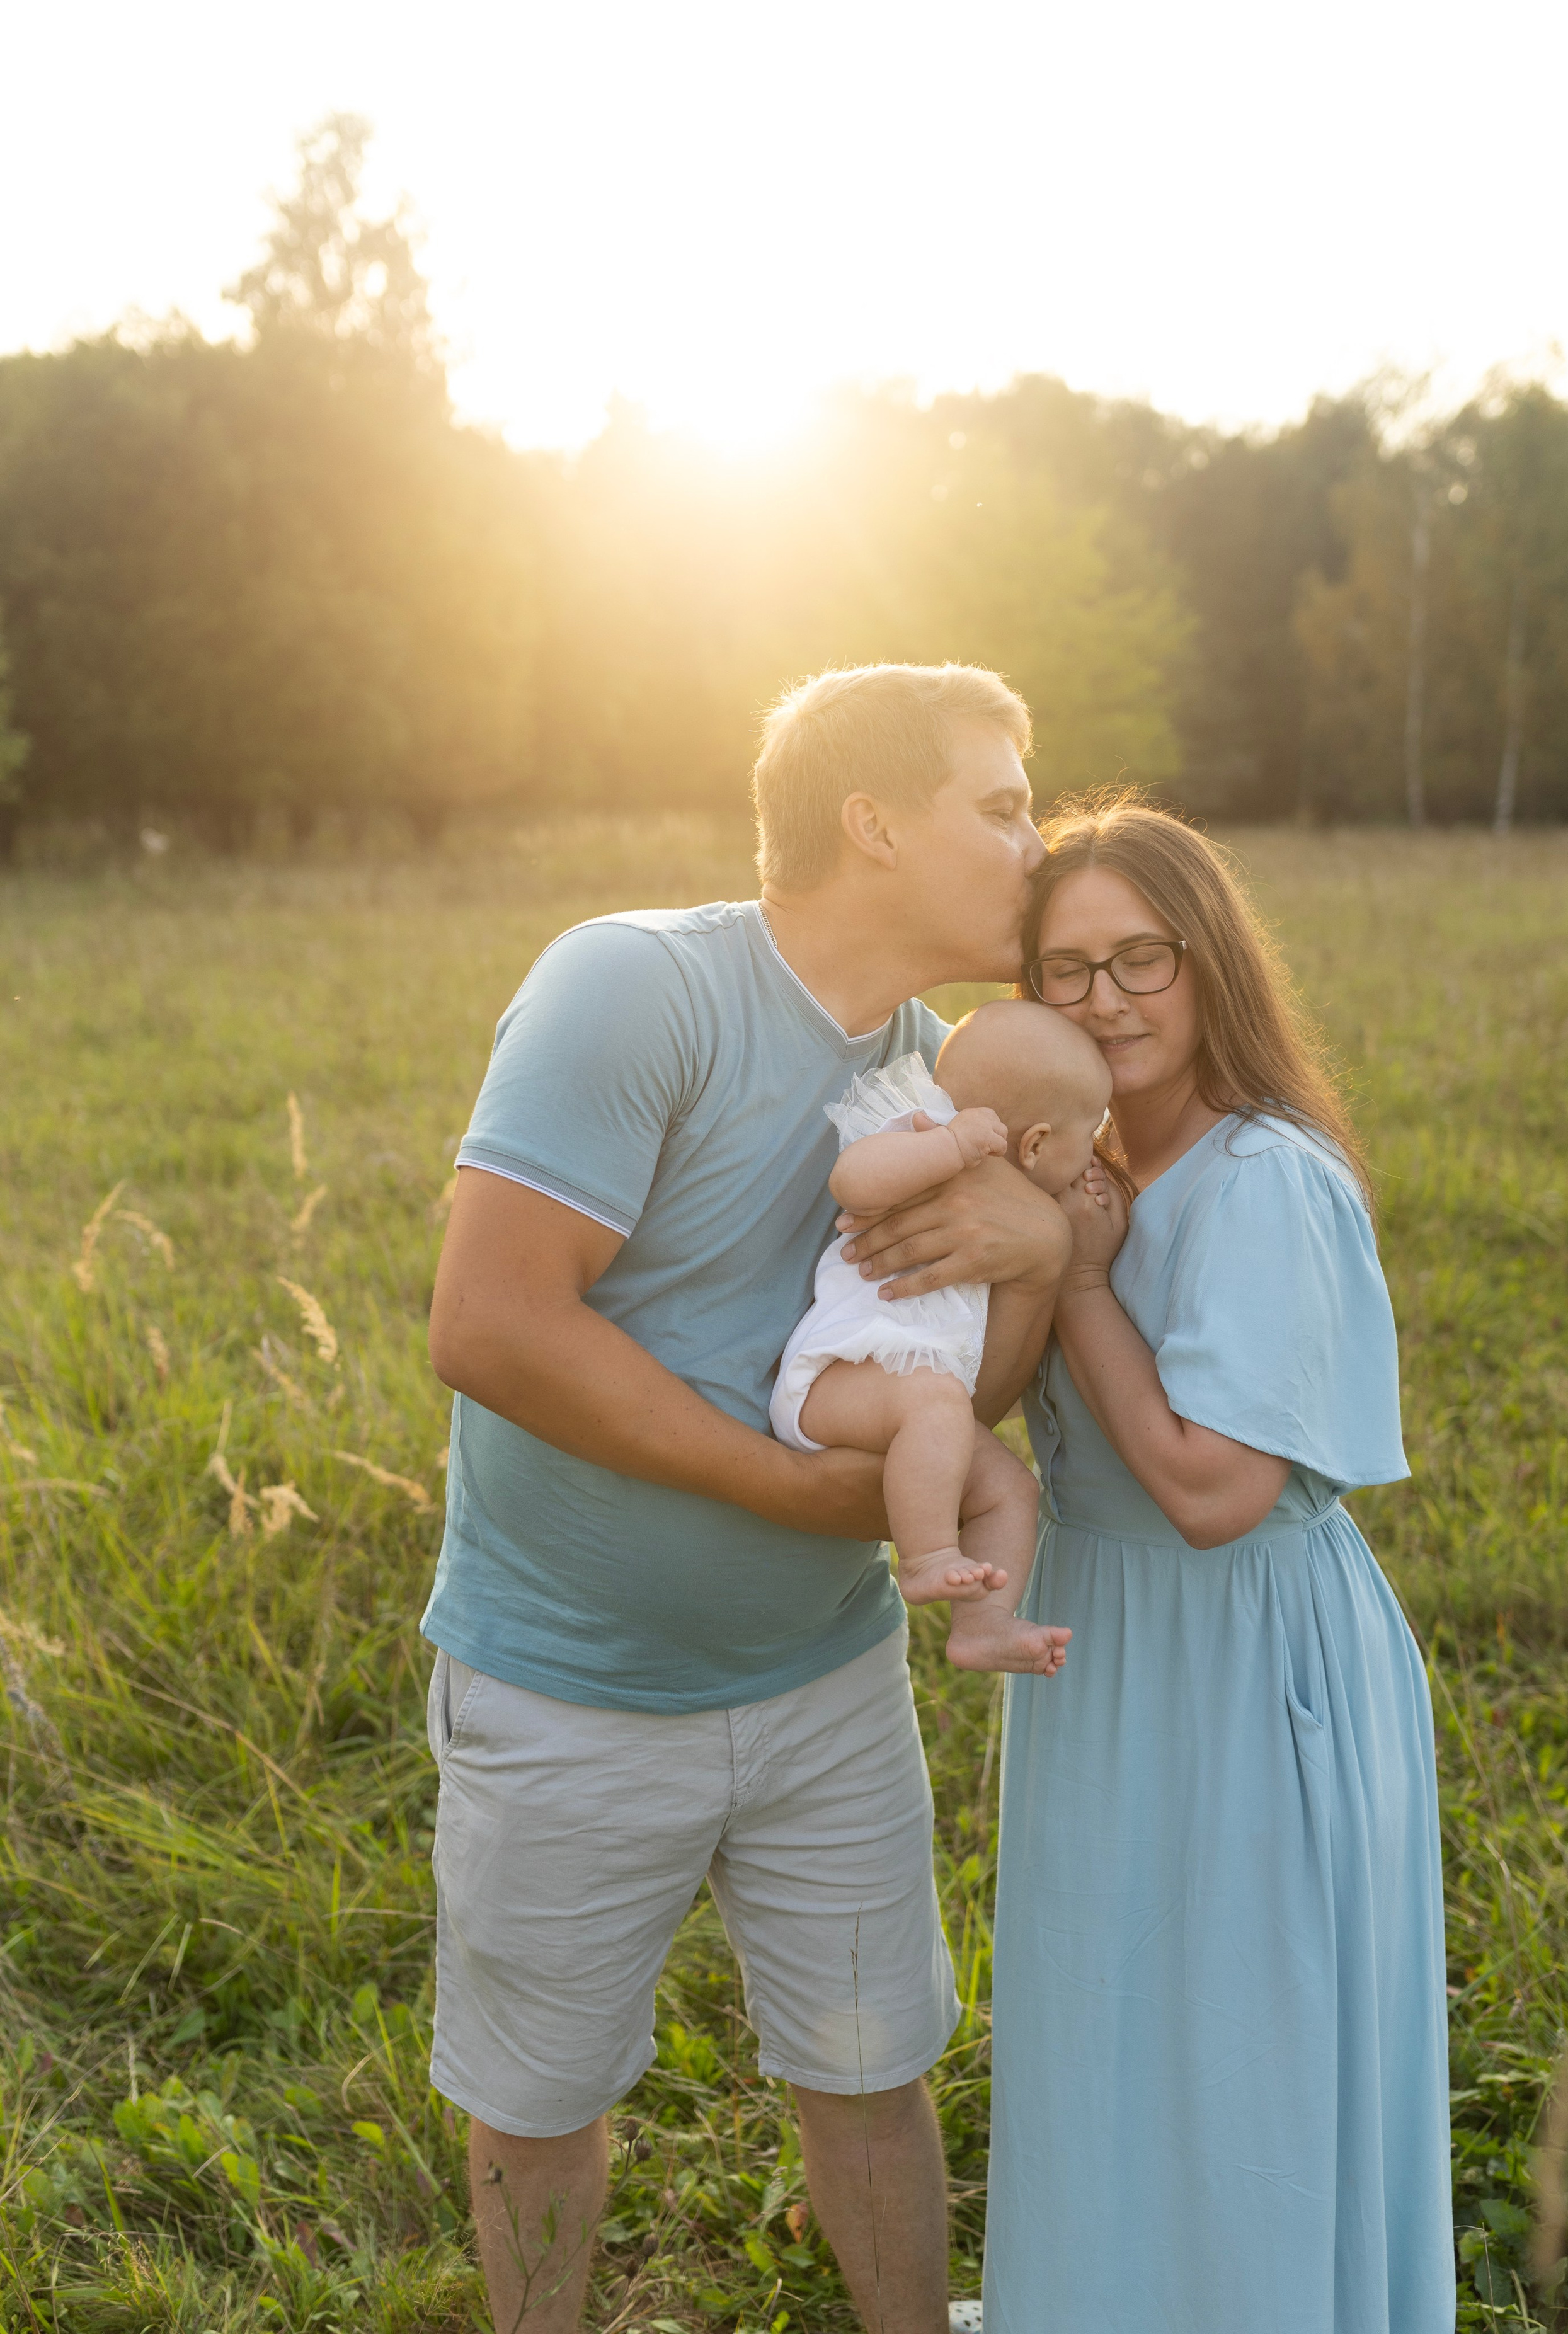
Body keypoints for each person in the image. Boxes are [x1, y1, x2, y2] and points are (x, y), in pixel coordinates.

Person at [421, 663, 1074, 2334]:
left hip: (827, 1681)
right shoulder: (636, 987)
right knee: (542, 2103)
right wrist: (787, 1488)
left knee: (873, 2068)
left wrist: (1040, 1256)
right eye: (1001, 805)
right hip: (571, 1684)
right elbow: (490, 1322)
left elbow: (943, 1394)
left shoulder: (936, 1071)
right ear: (871, 824)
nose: (1037, 843)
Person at [973, 792, 1456, 2334]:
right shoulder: (1081, 1170)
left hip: (1246, 1650)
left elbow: (1207, 1491)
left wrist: (1085, 1280)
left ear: (1208, 968)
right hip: (1099, 1633)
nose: (1105, 998)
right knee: (1103, 2025)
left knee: (1242, 2048)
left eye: (1142, 959)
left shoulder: (1263, 1180)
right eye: (1066, 968)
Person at [772, 1001, 1109, 1674]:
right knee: (936, 1403)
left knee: (1010, 1489)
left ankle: (983, 1626)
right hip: (836, 1379)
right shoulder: (923, 1131)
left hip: (917, 1401)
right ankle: (925, 1557)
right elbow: (853, 1179)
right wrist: (949, 1147)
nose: (1093, 1156)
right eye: (1090, 1139)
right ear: (1036, 1143)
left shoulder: (1014, 1219)